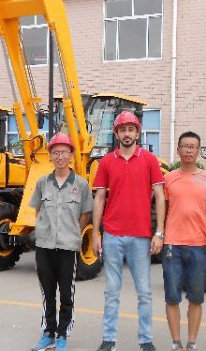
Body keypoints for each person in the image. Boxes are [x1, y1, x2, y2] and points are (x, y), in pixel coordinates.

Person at [91, 110, 166, 351]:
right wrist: (95, 233)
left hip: (141, 236)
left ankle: (146, 340)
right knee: (111, 291)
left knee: (144, 291)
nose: (127, 133)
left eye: (131, 129)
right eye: (122, 129)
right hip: (112, 234)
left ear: (137, 132)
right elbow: (100, 197)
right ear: (116, 133)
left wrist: (159, 232)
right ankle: (109, 339)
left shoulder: (150, 160)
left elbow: (160, 196)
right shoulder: (106, 162)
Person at [29, 132, 93, 351]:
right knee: (48, 292)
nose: (59, 157)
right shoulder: (42, 183)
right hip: (44, 245)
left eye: (64, 152)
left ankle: (63, 333)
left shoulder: (82, 184)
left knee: (66, 292)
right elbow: (38, 210)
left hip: (68, 246)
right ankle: (48, 332)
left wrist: (73, 232)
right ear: (51, 156)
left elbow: (85, 215)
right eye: (55, 153)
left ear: (71, 155)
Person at [162, 131, 206, 351]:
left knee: (196, 297)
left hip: (198, 245)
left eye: (193, 147)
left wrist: (203, 230)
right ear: (178, 150)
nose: (189, 150)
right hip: (172, 245)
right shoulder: (168, 179)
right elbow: (163, 210)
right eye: (185, 146)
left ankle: (192, 342)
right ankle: (176, 343)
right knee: (172, 297)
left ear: (198, 151)